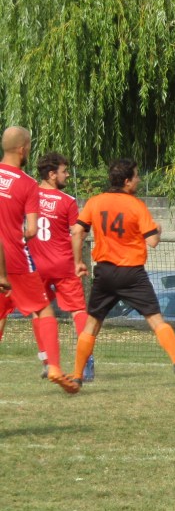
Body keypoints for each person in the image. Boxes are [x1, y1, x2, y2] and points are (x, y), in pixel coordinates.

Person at [70, 158, 175, 386]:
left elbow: (78, 231)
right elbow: (152, 242)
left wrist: (78, 261)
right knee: (156, 320)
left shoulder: (95, 202)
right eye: (137, 176)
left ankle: (78, 375)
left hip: (105, 272)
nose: (139, 180)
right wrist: (157, 229)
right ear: (127, 181)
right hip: (132, 273)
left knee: (92, 324)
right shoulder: (136, 205)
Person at [0, 127, 78, 393]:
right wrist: (14, 234)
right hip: (15, 258)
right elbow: (31, 230)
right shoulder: (27, 184)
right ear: (23, 149)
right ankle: (54, 366)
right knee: (43, 310)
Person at [29, 152, 96, 382]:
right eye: (64, 171)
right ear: (51, 174)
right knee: (78, 310)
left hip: (36, 265)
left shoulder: (29, 195)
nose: (67, 174)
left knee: (39, 312)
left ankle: (47, 362)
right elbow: (77, 233)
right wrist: (79, 261)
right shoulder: (67, 201)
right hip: (64, 264)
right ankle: (86, 363)